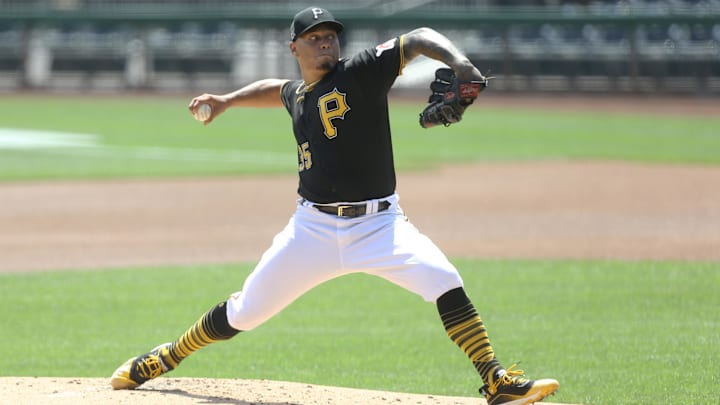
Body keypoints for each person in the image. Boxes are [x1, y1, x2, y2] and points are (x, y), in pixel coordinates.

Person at [110, 7, 559, 405]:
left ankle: (496, 380)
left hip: (381, 225)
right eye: (315, 37)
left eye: (331, 36)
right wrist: (227, 100)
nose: (326, 42)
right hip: (311, 231)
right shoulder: (299, 95)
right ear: (295, 47)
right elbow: (278, 89)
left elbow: (420, 36)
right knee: (245, 311)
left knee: (445, 279)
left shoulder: (361, 70)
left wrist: (461, 64)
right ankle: (163, 357)